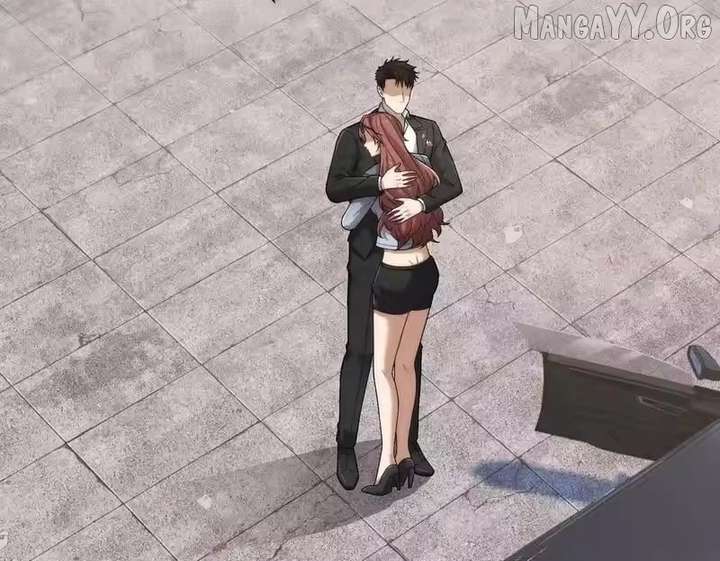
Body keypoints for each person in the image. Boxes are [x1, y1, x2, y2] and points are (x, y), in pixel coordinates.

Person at [326, 57, 463, 491]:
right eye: (392, 89)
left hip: (411, 255)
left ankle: (407, 444)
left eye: (404, 90)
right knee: (360, 350)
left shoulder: (427, 132)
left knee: (409, 356)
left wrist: (420, 203)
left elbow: (452, 183)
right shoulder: (357, 135)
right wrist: (379, 184)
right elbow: (335, 187)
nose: (399, 97)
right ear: (380, 89)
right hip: (370, 256)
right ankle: (346, 444)